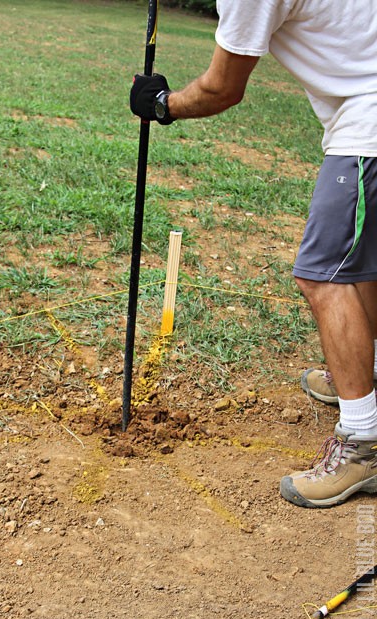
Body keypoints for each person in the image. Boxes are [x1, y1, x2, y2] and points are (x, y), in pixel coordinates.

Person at [130, 0, 377, 509]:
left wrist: (162, 105)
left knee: (323, 276)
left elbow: (223, 87)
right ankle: (362, 376)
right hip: (365, 116)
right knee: (358, 264)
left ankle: (364, 443)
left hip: (368, 127)